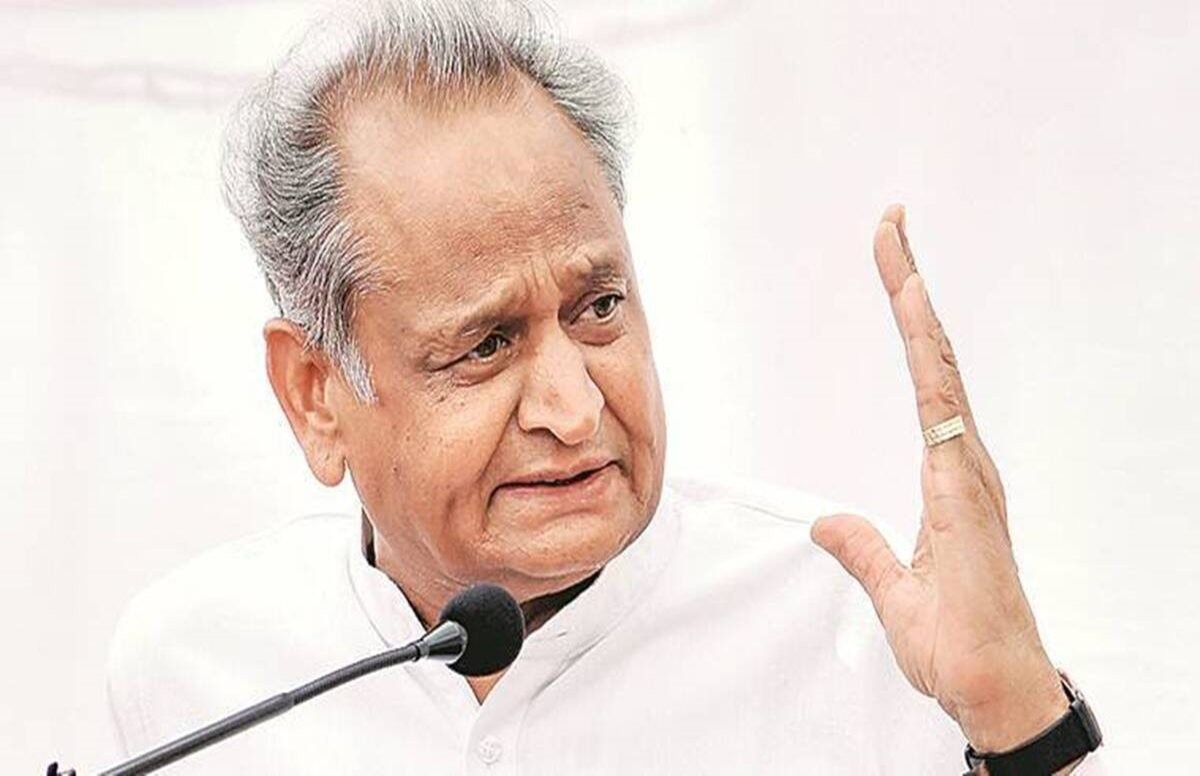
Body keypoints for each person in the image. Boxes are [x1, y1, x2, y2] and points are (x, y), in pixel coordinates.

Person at [106, 1, 1105, 773]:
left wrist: (1021, 723)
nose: (576, 409)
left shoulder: (863, 634)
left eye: (597, 307)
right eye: (486, 344)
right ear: (316, 394)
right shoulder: (196, 670)